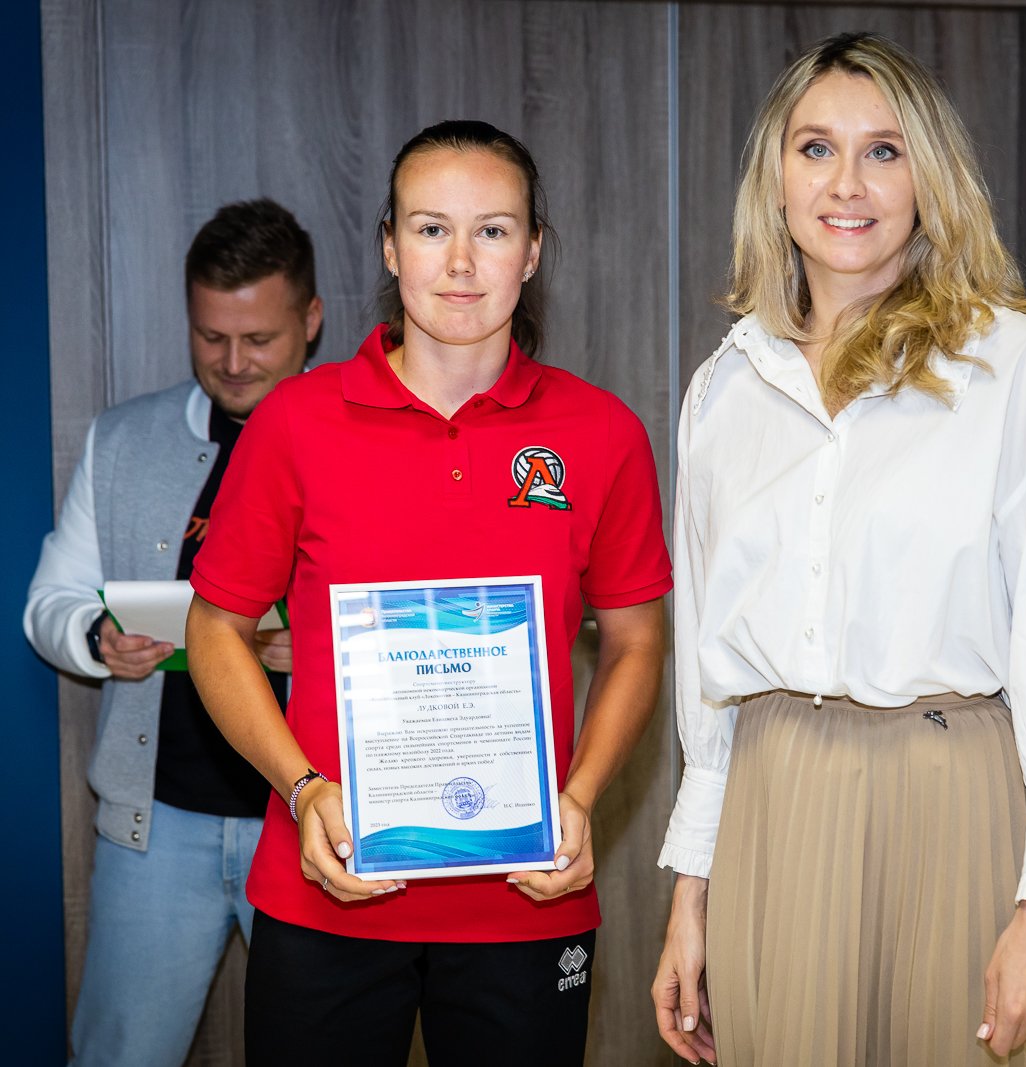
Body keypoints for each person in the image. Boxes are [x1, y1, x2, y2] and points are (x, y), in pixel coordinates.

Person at [651, 31, 1026, 1066]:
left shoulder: (1010, 366)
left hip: (956, 795)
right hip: (772, 801)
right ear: (777, 178)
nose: (847, 184)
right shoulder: (723, 390)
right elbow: (707, 690)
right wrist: (692, 895)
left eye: (884, 151)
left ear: (928, 179)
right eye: (816, 148)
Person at [184, 119, 672, 1066]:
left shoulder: (602, 432)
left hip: (527, 894)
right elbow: (216, 628)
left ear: (533, 250)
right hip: (329, 887)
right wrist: (303, 788)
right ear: (388, 245)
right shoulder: (294, 422)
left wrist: (580, 794)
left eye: (492, 230)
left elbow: (637, 641)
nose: (460, 262)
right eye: (430, 228)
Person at [23, 198, 323, 1066]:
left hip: (313, 819)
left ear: (311, 319)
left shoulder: (363, 439)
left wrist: (324, 651)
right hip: (154, 824)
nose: (232, 362)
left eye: (258, 338)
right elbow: (51, 599)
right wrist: (96, 639)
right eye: (210, 336)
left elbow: (423, 612)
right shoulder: (123, 439)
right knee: (119, 1053)